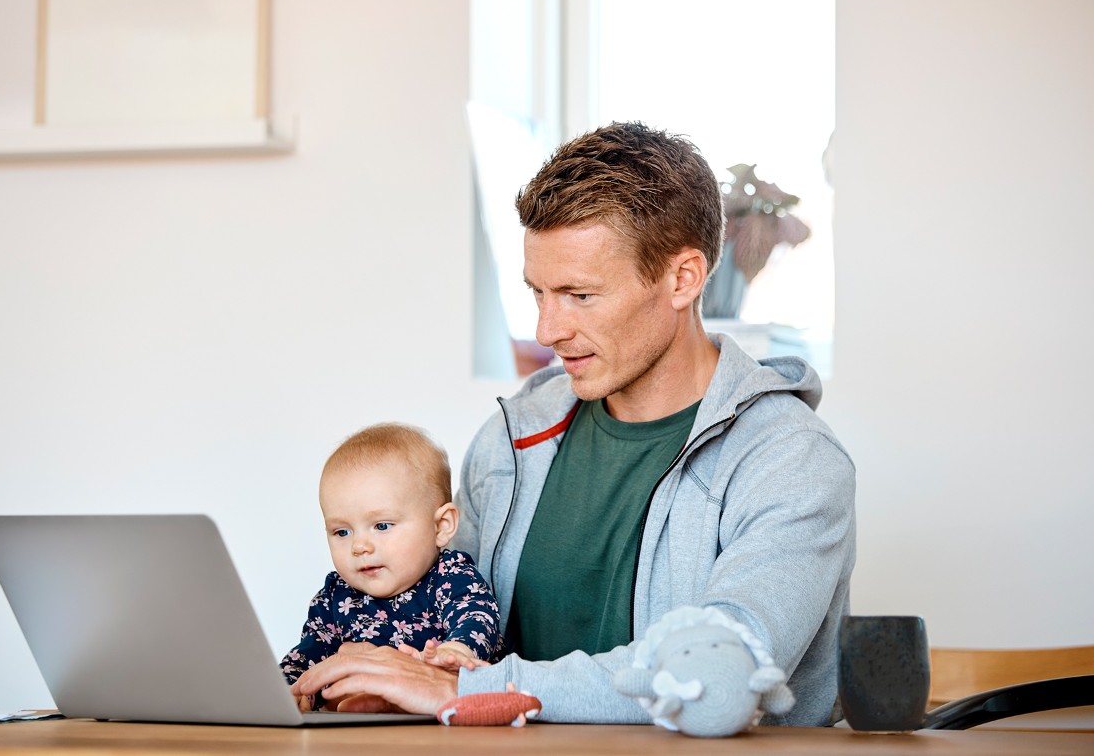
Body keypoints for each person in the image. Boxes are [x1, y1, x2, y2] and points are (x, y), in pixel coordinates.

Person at [291, 122, 855, 725]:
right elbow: (432, 628)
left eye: (579, 295)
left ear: (682, 278)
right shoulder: (511, 442)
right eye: (539, 293)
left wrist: (475, 688)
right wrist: (364, 681)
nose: (547, 331)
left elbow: (720, 680)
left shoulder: (790, 460)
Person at [281, 422, 501, 710]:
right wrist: (291, 686)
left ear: (441, 526)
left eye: (382, 526)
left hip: (442, 723)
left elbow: (476, 617)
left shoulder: (451, 576)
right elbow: (309, 653)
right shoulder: (336, 596)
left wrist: (455, 651)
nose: (360, 546)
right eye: (342, 532)